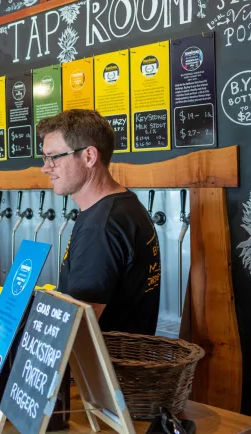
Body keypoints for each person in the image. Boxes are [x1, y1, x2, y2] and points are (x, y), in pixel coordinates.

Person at [38, 109, 161, 335]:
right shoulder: (124, 205)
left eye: (53, 157)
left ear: (89, 156)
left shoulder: (101, 227)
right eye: (45, 158)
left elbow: (80, 327)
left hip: (104, 368)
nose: (45, 167)